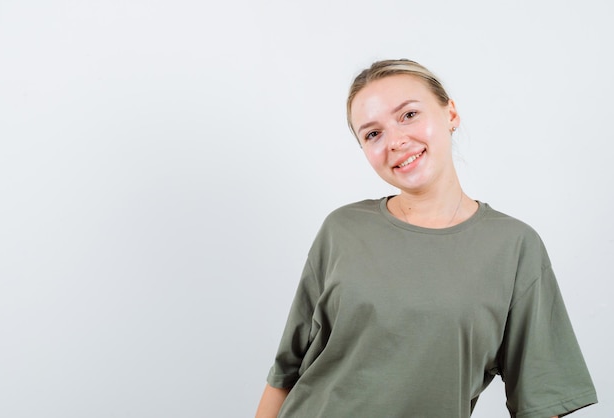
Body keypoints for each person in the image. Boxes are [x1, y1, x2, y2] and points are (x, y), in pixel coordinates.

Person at [255, 59, 597, 417]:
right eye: (373, 133)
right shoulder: (342, 229)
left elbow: (542, 401)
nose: (396, 141)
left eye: (409, 115)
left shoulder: (514, 246)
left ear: (450, 114)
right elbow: (285, 373)